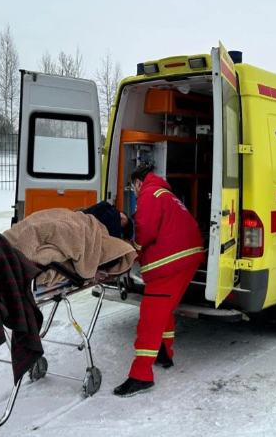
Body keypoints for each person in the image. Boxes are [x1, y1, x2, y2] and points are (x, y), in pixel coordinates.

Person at [114, 164, 205, 397]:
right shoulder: (165, 193)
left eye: (132, 188)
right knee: (165, 310)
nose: (133, 193)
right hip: (188, 257)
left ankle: (141, 375)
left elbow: (145, 232)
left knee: (151, 315)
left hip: (171, 262)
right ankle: (164, 353)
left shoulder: (148, 194)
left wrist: (130, 252)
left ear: (137, 183)